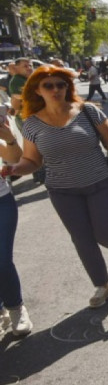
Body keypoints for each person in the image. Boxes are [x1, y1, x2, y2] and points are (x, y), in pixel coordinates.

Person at [2, 66, 108, 309]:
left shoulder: (87, 111)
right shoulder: (32, 124)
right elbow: (32, 161)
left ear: (67, 87)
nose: (56, 89)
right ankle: (102, 284)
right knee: (82, 239)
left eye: (60, 85)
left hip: (100, 183)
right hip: (62, 191)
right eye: (49, 86)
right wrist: (14, 169)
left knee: (106, 234)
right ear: (37, 90)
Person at [0, 113, 31, 337]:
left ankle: (16, 308)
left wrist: (10, 139)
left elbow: (14, 159)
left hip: (1, 201)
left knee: (1, 259)